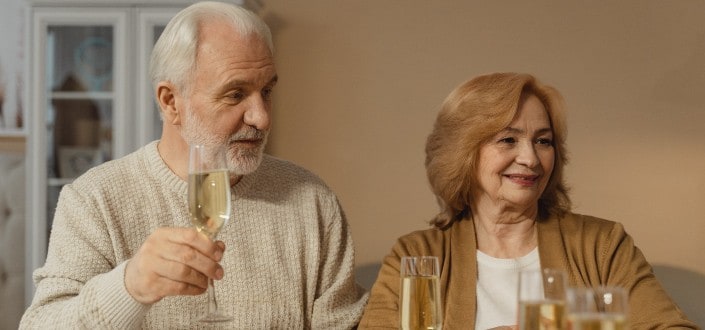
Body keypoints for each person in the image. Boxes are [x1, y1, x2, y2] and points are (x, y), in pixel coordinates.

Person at [20, 2, 367, 328]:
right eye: (235, 94)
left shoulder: (313, 202)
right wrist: (128, 287)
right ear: (171, 102)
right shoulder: (93, 200)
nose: (261, 118)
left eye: (267, 92)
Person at [358, 72, 697, 329]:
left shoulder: (602, 246)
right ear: (462, 153)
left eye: (543, 141)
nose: (531, 159)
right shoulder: (416, 256)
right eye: (508, 139)